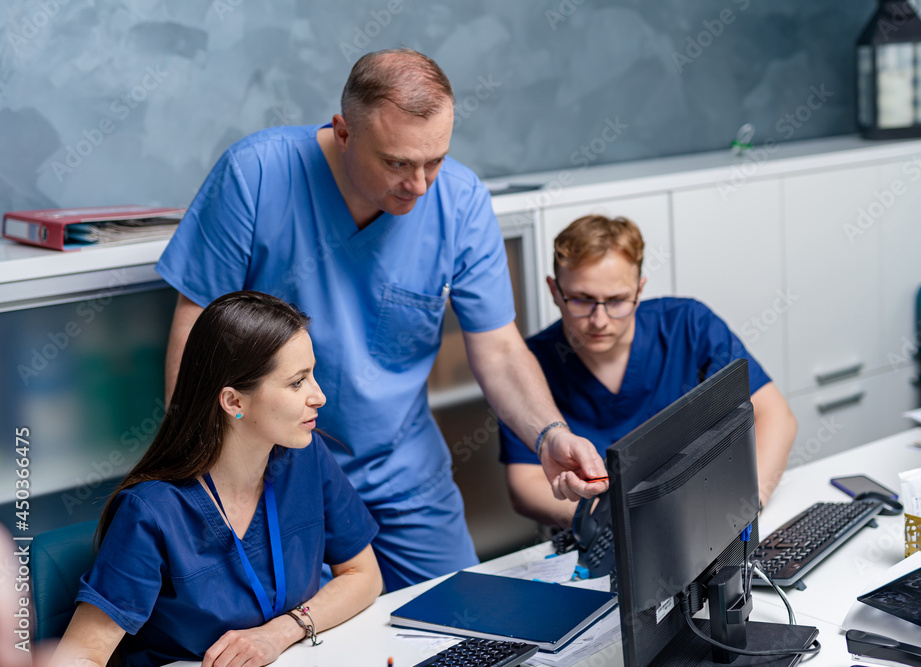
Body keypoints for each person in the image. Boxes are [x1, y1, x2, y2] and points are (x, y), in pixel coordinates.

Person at [155, 49, 607, 590]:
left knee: (464, 626)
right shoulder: (255, 175)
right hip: (274, 470)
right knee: (311, 638)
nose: (419, 185)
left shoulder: (459, 201)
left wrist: (548, 434)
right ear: (343, 132)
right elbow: (197, 337)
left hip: (403, 473)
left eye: (434, 160)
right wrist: (206, 475)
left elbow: (500, 349)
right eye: (396, 163)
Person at [50, 292, 381, 667]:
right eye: (296, 383)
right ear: (234, 402)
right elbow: (80, 656)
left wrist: (282, 631)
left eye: (312, 374)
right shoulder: (152, 512)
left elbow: (363, 574)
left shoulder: (307, 459)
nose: (318, 396)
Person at [500, 215, 797, 528]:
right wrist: (615, 527)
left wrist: (749, 504)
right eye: (582, 300)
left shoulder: (688, 325)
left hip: (705, 520)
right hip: (601, 534)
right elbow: (525, 484)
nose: (599, 320)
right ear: (554, 290)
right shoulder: (530, 364)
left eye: (617, 301)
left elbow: (774, 415)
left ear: (639, 290)